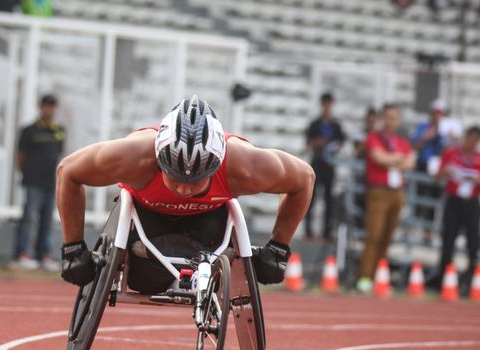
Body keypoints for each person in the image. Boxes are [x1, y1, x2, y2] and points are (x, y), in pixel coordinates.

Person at [56, 95, 315, 290]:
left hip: (208, 223)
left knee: (203, 264)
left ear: (215, 168)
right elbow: (68, 171)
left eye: (196, 181)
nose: (184, 189)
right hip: (145, 219)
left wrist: (278, 248)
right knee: (148, 284)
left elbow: (304, 179)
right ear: (158, 160)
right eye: (175, 178)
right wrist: (73, 248)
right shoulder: (133, 156)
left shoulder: (245, 167)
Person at [357, 103, 415, 294]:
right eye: (388, 117)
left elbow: (410, 163)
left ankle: (379, 277)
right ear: (383, 118)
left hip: (396, 192)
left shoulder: (401, 141)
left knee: (387, 237)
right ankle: (365, 278)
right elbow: (378, 158)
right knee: (373, 235)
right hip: (378, 192)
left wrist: (393, 159)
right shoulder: (374, 137)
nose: (391, 121)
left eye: (394, 118)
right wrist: (397, 159)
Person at [12, 95, 66, 271]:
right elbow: (20, 156)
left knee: (47, 220)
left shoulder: (59, 130)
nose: (49, 110)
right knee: (28, 218)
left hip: (50, 182)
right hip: (33, 182)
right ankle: (22, 254)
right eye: (47, 106)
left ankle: (43, 255)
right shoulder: (29, 131)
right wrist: (27, 173)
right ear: (40, 107)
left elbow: (59, 155)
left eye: (52, 107)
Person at [435, 125, 480, 290]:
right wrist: (446, 171)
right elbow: (437, 177)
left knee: (474, 243)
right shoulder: (451, 154)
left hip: (472, 202)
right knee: (448, 241)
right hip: (454, 201)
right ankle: (443, 280)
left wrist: (477, 179)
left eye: (475, 139)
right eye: (469, 138)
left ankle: (472, 281)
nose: (471, 142)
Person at [305, 92, 345, 240]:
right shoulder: (315, 124)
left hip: (329, 165)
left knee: (329, 199)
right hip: (317, 163)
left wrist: (332, 146)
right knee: (312, 198)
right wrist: (319, 143)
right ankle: (308, 231)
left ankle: (327, 232)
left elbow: (341, 142)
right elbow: (308, 143)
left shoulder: (336, 125)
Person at [411, 99, 447, 243]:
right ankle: (413, 227)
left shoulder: (447, 131)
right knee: (419, 199)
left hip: (437, 170)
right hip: (423, 166)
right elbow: (414, 146)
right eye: (436, 113)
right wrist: (427, 137)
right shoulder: (423, 127)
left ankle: (428, 232)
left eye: (440, 113)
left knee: (433, 200)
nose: (438, 116)